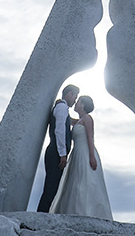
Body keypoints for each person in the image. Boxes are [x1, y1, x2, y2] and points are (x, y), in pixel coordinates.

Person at [49, 95, 113, 219]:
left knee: (86, 183)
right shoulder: (78, 120)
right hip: (76, 154)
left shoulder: (87, 119)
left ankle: (88, 213)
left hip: (86, 153)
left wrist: (92, 156)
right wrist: (60, 104)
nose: (76, 103)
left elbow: (90, 137)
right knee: (75, 183)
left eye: (78, 102)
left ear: (83, 105)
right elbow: (66, 118)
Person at [37, 84, 79, 212]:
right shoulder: (61, 107)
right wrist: (62, 154)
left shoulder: (62, 108)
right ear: (69, 94)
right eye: (75, 97)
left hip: (56, 151)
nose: (75, 100)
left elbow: (66, 121)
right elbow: (60, 130)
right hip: (56, 152)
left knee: (53, 187)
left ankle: (43, 214)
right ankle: (41, 215)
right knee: (51, 187)